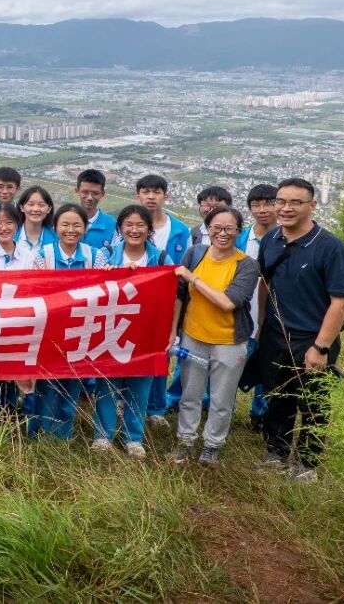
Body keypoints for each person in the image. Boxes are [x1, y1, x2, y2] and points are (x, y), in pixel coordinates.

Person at [256, 177, 344, 483]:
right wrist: (262, 325)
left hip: (312, 338)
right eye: (281, 201)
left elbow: (341, 301)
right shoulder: (271, 239)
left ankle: (307, 463)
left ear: (312, 205)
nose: (286, 208)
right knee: (278, 396)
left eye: (295, 203)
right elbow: (266, 283)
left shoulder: (330, 248)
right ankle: (276, 452)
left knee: (313, 404)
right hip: (276, 334)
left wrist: (321, 347)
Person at [169, 205, 259, 467]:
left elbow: (228, 302)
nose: (222, 233)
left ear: (239, 231)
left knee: (221, 398)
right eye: (216, 228)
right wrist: (173, 331)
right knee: (190, 393)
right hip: (193, 335)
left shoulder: (246, 265)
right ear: (207, 229)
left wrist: (194, 279)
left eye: (229, 228)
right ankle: (185, 440)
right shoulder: (195, 253)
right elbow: (179, 295)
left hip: (229, 341)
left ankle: (212, 445)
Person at [91, 204, 170, 458]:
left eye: (140, 225)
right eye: (128, 225)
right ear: (120, 228)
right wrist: (107, 276)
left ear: (149, 229)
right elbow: (92, 289)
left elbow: (171, 292)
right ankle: (102, 434)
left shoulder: (160, 258)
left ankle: (133, 438)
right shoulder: (106, 254)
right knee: (107, 383)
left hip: (146, 331)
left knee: (140, 384)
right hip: (111, 328)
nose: (134, 230)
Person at [31, 204, 95, 441]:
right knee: (46, 382)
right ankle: (42, 430)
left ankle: (64, 433)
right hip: (50, 328)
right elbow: (36, 290)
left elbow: (103, 288)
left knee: (72, 381)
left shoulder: (94, 255)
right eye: (65, 224)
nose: (71, 230)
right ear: (55, 227)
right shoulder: (43, 255)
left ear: (85, 228)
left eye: (77, 225)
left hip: (81, 328)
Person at [133, 173, 191, 422]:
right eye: (145, 192)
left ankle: (155, 407)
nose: (151, 197)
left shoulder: (179, 230)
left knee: (160, 355)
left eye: (156, 192)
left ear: (165, 196)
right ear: (137, 195)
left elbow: (184, 267)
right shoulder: (129, 224)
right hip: (134, 301)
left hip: (166, 303)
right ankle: (128, 402)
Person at [235, 183, 278, 428]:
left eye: (268, 204)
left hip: (272, 319)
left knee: (267, 368)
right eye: (256, 205)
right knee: (230, 367)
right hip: (241, 316)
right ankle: (218, 409)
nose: (262, 210)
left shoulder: (286, 239)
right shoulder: (240, 238)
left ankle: (260, 414)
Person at [76, 169, 115, 253]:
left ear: (102, 194)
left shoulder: (112, 225)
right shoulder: (65, 221)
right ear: (77, 191)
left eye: (95, 193)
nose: (89, 197)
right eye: (85, 192)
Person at [16, 185, 58, 256]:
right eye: (31, 204)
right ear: (22, 207)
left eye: (41, 205)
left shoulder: (56, 238)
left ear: (49, 209)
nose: (36, 209)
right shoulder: (10, 234)